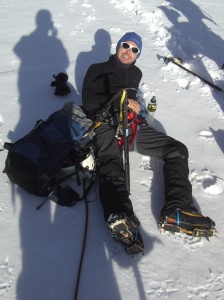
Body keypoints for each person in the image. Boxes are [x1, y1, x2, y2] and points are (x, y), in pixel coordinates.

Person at [82, 32, 216, 256]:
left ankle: (177, 208)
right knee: (110, 162)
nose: (129, 52)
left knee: (176, 149)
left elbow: (135, 99)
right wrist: (119, 102)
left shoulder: (136, 72)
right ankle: (120, 216)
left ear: (138, 55)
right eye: (126, 46)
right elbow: (88, 102)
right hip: (104, 124)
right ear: (118, 46)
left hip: (131, 126)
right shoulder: (96, 69)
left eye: (135, 50)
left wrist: (135, 108)